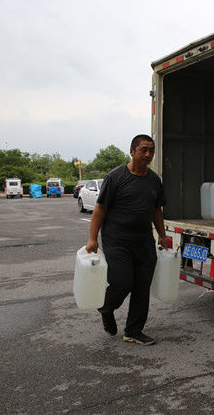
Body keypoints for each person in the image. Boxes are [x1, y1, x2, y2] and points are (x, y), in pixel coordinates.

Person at [85, 134, 171, 345]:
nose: (148, 154)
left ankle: (133, 330)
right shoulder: (116, 177)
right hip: (117, 240)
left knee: (142, 286)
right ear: (132, 151)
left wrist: (162, 234)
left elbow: (156, 210)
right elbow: (100, 209)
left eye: (151, 150)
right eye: (143, 149)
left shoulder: (153, 180)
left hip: (143, 241)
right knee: (122, 282)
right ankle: (106, 308)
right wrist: (92, 239)